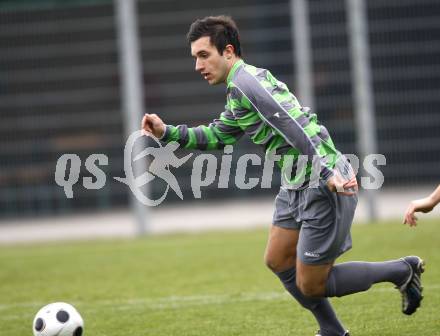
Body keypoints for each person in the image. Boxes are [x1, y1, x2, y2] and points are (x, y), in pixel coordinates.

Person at [141, 15, 425, 336]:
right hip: (296, 183)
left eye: (203, 55)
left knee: (312, 284)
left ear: (229, 51)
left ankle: (402, 270)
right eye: (195, 57)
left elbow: (295, 124)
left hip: (323, 182)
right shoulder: (238, 90)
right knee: (277, 259)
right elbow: (218, 136)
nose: (198, 65)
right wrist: (167, 133)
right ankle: (332, 331)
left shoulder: (248, 84)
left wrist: (327, 171)